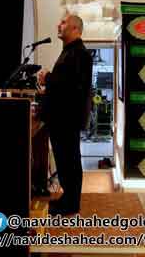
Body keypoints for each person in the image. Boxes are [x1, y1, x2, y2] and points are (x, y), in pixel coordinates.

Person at [38, 14, 92, 216]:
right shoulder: (70, 51)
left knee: (69, 161)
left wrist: (48, 77)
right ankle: (68, 199)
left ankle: (70, 204)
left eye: (63, 23)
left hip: (67, 118)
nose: (58, 25)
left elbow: (73, 87)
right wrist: (48, 86)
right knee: (64, 160)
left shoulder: (79, 53)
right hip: (62, 117)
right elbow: (66, 84)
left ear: (75, 29)